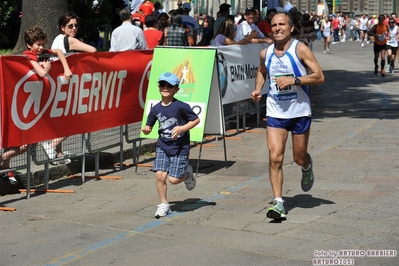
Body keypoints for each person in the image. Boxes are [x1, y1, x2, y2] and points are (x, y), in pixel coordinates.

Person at [251, 12, 325, 220]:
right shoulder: (266, 53)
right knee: (275, 157)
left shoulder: (300, 49)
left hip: (300, 110)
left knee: (298, 157)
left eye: (282, 24)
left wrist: (295, 80)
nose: (277, 28)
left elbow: (319, 76)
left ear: (291, 27)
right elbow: (261, 71)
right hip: (275, 111)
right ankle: (278, 203)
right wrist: (258, 88)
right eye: (274, 25)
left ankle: (307, 165)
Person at [141, 72, 200, 218]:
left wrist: (182, 128)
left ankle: (187, 174)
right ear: (159, 87)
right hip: (162, 146)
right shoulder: (155, 108)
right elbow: (149, 125)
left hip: (180, 147)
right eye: (162, 84)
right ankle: (164, 204)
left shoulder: (181, 106)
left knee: (173, 180)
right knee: (160, 176)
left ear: (176, 89)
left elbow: (195, 120)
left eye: (169, 85)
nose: (165, 87)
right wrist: (147, 129)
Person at [49, 13, 96, 165]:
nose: (74, 28)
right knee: (78, 120)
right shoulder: (69, 40)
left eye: (76, 25)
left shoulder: (57, 39)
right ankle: (52, 145)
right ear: (63, 27)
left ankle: (58, 153)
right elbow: (93, 50)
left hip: (57, 83)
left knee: (60, 120)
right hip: (67, 85)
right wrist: (78, 44)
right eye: (70, 26)